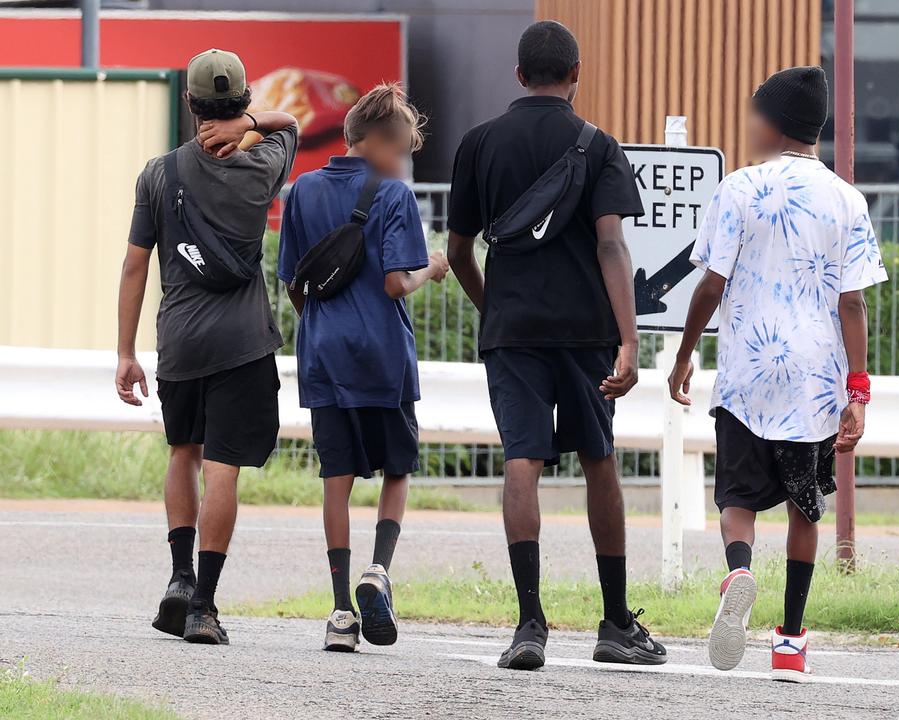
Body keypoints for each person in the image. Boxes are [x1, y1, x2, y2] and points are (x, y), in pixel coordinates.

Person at [447, 20, 667, 670]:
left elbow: (459, 251)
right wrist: (629, 339)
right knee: (599, 459)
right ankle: (615, 624)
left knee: (523, 458)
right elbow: (610, 244)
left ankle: (529, 624)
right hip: (585, 332)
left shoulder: (479, 144)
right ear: (575, 76)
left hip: (512, 333)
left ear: (518, 75)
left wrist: (497, 311)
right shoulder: (596, 146)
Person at [666, 66, 887, 681]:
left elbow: (711, 283)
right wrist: (859, 390)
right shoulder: (848, 199)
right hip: (816, 380)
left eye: (753, 113)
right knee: (804, 510)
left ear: (771, 122)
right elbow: (853, 302)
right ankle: (790, 640)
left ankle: (738, 570)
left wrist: (686, 353)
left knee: (737, 498)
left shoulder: (739, 188)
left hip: (747, 373)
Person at [116, 48, 298, 645]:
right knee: (223, 468)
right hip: (242, 345)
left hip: (181, 343)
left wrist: (125, 352)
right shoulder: (263, 167)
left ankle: (178, 576)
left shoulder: (158, 174)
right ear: (241, 103)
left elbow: (135, 267)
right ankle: (205, 606)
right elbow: (290, 124)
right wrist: (248, 126)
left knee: (182, 454)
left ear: (190, 104)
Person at [277, 83, 448, 653]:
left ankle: (340, 613)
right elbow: (397, 280)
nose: (401, 160)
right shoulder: (394, 196)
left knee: (336, 476)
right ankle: (377, 570)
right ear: (375, 141)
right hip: (382, 354)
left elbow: (295, 283)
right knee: (398, 467)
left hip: (324, 355)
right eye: (399, 148)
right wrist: (435, 269)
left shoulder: (300, 190)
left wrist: (323, 325)